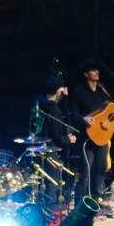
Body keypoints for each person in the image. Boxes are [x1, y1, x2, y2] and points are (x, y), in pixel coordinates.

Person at [70, 59, 114, 202]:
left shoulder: (102, 91)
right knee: (86, 170)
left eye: (97, 70)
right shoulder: (79, 92)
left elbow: (111, 110)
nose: (97, 72)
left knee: (101, 169)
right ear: (86, 74)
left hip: (103, 137)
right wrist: (83, 119)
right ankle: (81, 201)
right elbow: (73, 114)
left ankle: (97, 199)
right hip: (87, 137)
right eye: (93, 70)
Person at [38, 75, 77, 203]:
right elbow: (57, 136)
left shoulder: (41, 106)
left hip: (40, 149)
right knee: (53, 184)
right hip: (51, 152)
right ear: (58, 91)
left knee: (44, 184)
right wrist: (69, 139)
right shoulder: (54, 110)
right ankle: (51, 211)